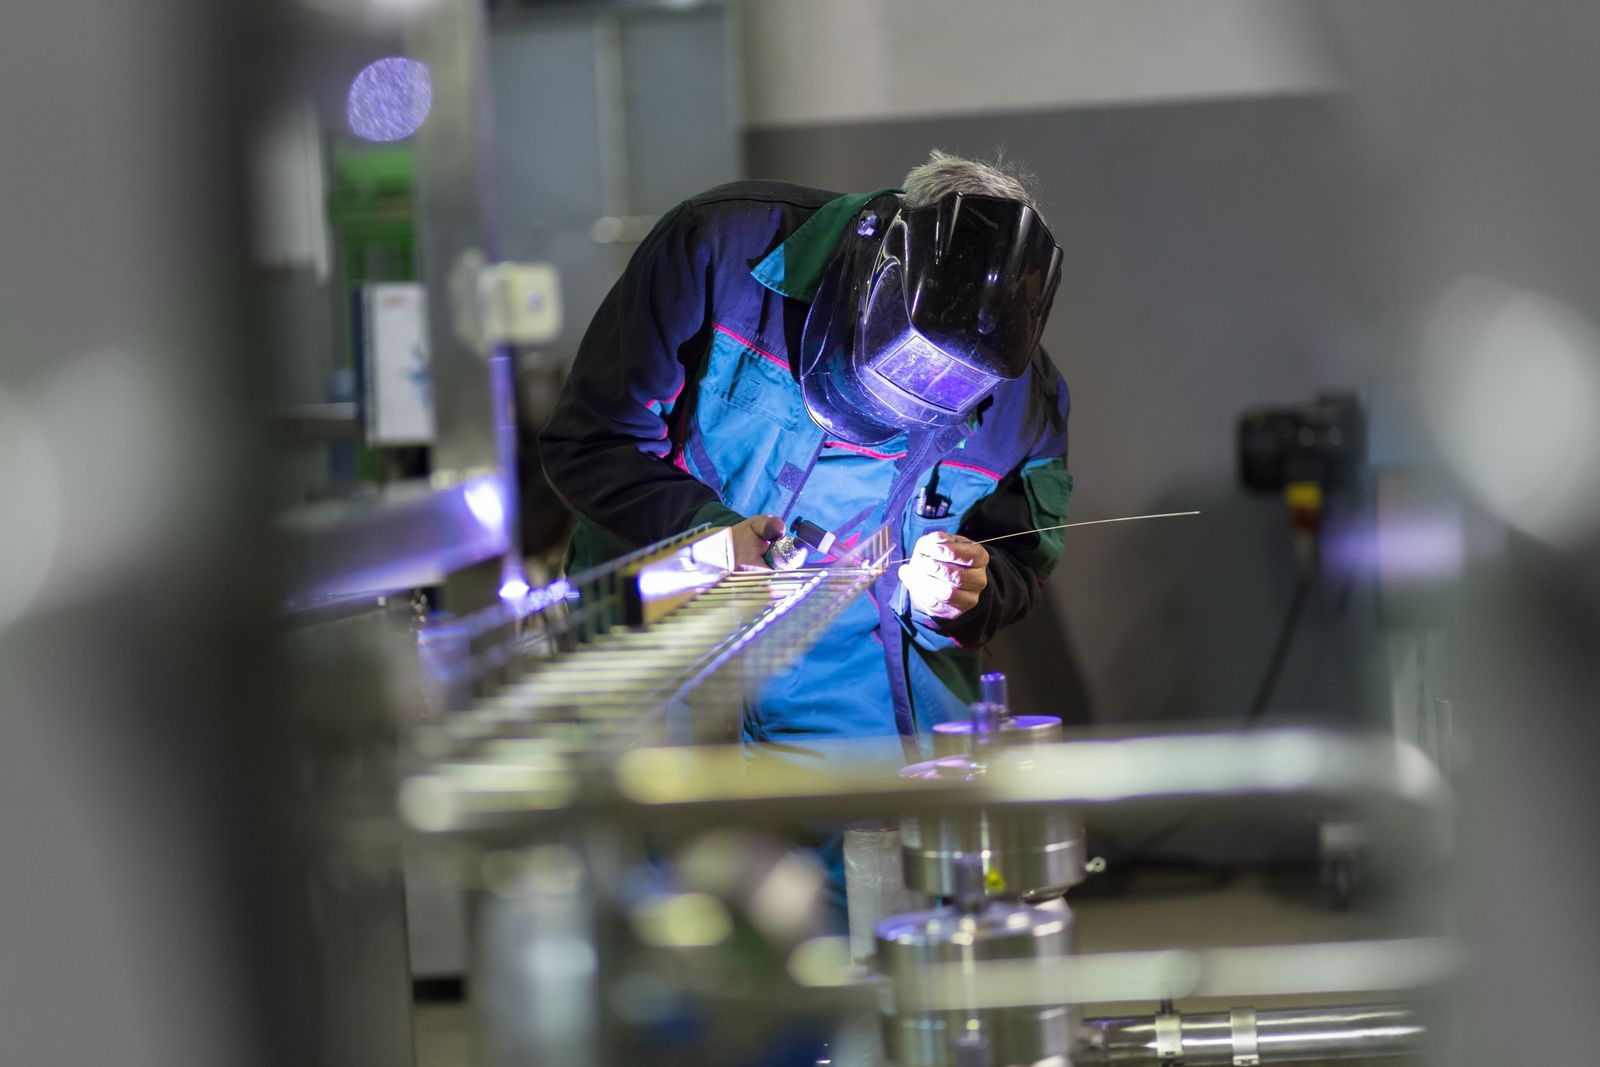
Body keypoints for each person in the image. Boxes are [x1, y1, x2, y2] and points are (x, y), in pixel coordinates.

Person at [541, 151, 1072, 911]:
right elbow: (590, 441)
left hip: (858, 704)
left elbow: (1025, 555)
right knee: (666, 948)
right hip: (671, 664)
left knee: (872, 946)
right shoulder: (722, 253)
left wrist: (969, 588)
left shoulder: (1025, 401)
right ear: (873, 269)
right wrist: (704, 535)